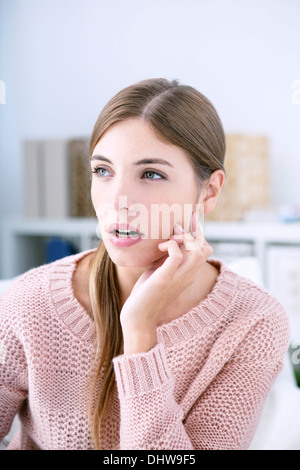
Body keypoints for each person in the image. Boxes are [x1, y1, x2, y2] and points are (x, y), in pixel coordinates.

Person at [0, 78, 289, 450]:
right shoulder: (29, 303)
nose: (118, 201)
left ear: (210, 190)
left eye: (151, 174)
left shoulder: (253, 323)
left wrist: (139, 330)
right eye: (103, 171)